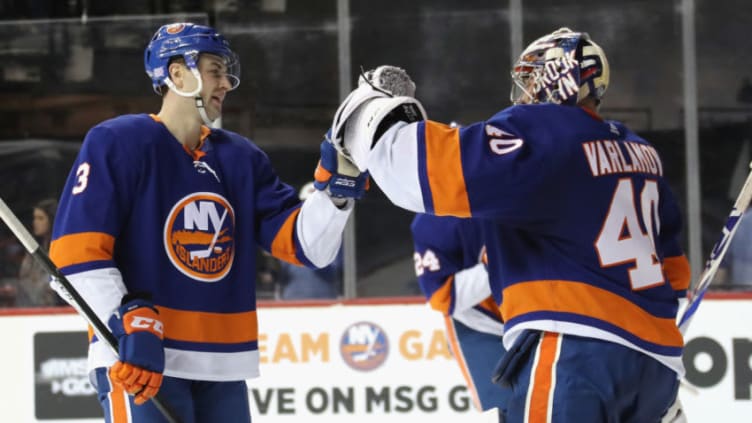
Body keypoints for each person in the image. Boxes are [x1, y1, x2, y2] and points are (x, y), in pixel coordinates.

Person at [330, 28, 690, 422]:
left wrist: (372, 111)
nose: (524, 94)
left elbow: (430, 171)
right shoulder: (640, 152)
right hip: (657, 365)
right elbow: (674, 272)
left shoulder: (545, 130)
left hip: (575, 347)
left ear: (559, 77)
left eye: (531, 79)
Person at [48, 22, 367, 422]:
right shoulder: (118, 141)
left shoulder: (241, 158)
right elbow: (73, 255)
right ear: (175, 73)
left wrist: (336, 194)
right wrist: (126, 320)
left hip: (221, 366)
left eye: (226, 73)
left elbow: (307, 247)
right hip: (143, 361)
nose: (226, 84)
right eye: (215, 70)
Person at [411, 214, 509, 420]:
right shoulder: (431, 221)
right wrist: (495, 266)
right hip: (479, 325)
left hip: (534, 314)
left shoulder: (521, 192)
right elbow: (441, 297)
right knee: (504, 408)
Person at [279, 181, 342, 300]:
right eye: (305, 205)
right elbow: (282, 274)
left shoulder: (333, 235)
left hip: (324, 302)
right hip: (291, 303)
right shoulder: (287, 232)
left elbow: (337, 272)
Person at [16, 198, 61, 307]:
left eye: (40, 218)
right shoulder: (34, 251)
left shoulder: (60, 250)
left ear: (52, 219)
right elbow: (23, 280)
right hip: (30, 307)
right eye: (35, 218)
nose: (35, 222)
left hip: (55, 309)